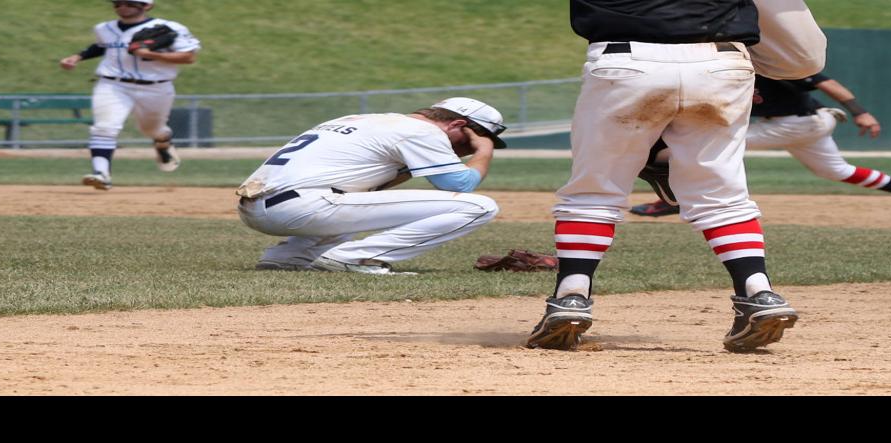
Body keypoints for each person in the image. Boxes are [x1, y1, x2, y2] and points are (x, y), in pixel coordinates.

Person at [527, 0, 827, 352]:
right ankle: (759, 293)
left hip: (625, 61)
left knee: (595, 191)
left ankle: (571, 297)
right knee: (722, 195)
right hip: (721, 62)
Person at [631, 73, 891, 225]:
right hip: (806, 123)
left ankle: (674, 200)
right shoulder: (727, 63)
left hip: (798, 123)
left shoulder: (770, 60)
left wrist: (861, 112)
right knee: (837, 171)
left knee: (703, 147)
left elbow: (826, 82)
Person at [235, 97, 504, 275]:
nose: (467, 150)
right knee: (480, 206)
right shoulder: (423, 131)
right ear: (458, 124)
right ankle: (355, 258)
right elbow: (460, 183)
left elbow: (372, 187)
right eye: (468, 141)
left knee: (356, 198)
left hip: (259, 207)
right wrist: (485, 150)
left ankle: (290, 257)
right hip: (304, 206)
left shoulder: (361, 119)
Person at [59, 0, 200, 191]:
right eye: (118, 3)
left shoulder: (170, 28)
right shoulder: (104, 28)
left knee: (151, 129)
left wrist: (150, 54)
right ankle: (101, 174)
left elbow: (188, 57)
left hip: (156, 87)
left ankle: (162, 142)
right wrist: (77, 57)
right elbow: (102, 46)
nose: (122, 6)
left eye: (130, 3)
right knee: (105, 127)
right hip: (112, 84)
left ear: (147, 6)